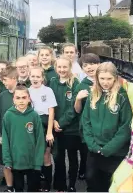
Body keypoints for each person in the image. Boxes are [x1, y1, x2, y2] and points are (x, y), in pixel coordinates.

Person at [81, 62, 132, 192]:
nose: (105, 82)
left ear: (115, 78)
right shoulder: (92, 94)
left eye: (109, 78)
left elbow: (125, 127)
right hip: (95, 148)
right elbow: (85, 121)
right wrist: (92, 145)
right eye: (102, 78)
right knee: (91, 178)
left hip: (114, 151)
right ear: (97, 78)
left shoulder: (122, 97)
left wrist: (109, 148)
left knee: (109, 183)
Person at [2, 85, 45, 192]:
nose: (21, 101)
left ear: (29, 99)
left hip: (32, 162)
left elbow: (40, 140)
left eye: (24, 97)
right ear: (13, 100)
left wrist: (38, 162)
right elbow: (6, 140)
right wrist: (7, 161)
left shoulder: (34, 116)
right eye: (18, 98)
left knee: (33, 188)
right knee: (19, 188)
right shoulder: (8, 115)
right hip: (16, 162)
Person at [50, 57, 81, 192]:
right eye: (59, 67)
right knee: (58, 157)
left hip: (71, 128)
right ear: (56, 68)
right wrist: (54, 121)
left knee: (72, 157)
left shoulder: (75, 83)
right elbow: (49, 104)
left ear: (70, 68)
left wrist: (61, 122)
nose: (62, 70)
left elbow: (74, 108)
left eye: (65, 67)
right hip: (55, 126)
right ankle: (60, 184)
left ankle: (72, 184)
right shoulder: (52, 82)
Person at [28, 66, 58, 191]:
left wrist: (49, 132)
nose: (35, 79)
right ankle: (35, 181)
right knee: (33, 153)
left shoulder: (48, 91)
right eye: (33, 76)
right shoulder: (26, 90)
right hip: (31, 124)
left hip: (45, 123)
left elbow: (51, 111)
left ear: (42, 78)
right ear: (29, 77)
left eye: (38, 76)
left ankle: (47, 182)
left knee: (46, 153)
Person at [73, 53, 101, 181]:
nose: (89, 67)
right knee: (87, 155)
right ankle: (86, 173)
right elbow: (77, 110)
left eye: (92, 64)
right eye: (85, 65)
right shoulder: (81, 85)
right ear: (82, 68)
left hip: (103, 127)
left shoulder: (106, 81)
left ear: (98, 64)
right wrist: (78, 99)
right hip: (88, 129)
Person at [0, 65, 19, 191]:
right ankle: (10, 187)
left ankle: (19, 186)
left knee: (18, 162)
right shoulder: (2, 95)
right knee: (6, 163)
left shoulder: (23, 94)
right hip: (5, 136)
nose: (3, 82)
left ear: (14, 78)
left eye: (5, 79)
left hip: (19, 136)